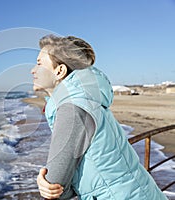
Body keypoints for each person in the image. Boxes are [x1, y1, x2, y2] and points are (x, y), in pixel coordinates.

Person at [31, 35, 167, 200]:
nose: (33, 70)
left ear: (59, 71)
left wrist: (44, 182)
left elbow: (57, 186)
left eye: (39, 64)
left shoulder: (72, 108)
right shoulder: (85, 99)